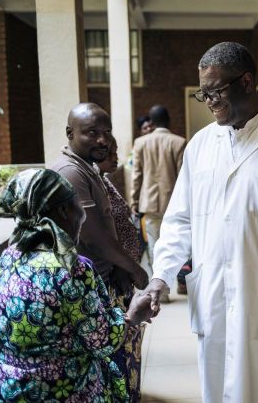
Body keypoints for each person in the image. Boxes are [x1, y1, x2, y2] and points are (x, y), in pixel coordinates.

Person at [133, 41, 258, 403]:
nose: (210, 102)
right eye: (203, 95)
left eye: (217, 91)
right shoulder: (200, 146)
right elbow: (179, 221)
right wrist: (159, 278)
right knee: (220, 391)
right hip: (215, 302)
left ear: (247, 81)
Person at [0, 169, 148, 402]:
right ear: (63, 211)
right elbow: (102, 341)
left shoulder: (9, 258)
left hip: (12, 392)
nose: (82, 217)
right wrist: (133, 314)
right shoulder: (72, 269)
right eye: (78, 206)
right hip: (67, 391)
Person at [50, 102, 148, 292]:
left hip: (98, 279)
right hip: (82, 287)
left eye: (107, 132)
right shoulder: (70, 172)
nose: (104, 140)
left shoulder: (88, 169)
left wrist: (119, 266)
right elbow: (94, 237)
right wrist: (135, 269)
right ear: (70, 133)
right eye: (92, 133)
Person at [97, 138, 145, 402]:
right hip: (114, 278)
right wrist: (127, 267)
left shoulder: (104, 182)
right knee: (121, 343)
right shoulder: (92, 184)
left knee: (131, 341)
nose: (116, 158)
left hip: (122, 278)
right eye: (110, 153)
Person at [130, 104, 186, 288]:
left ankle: (161, 290)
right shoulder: (179, 142)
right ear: (168, 120)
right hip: (174, 204)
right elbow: (183, 178)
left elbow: (136, 175)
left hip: (150, 203)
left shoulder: (141, 143)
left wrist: (134, 201)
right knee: (178, 244)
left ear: (151, 122)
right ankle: (181, 283)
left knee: (155, 246)